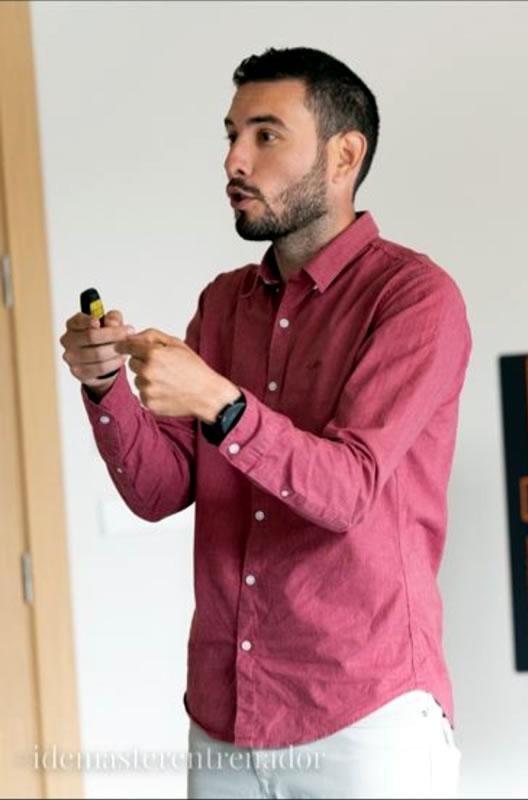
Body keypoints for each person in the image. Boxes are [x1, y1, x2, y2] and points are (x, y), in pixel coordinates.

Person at [57, 47, 471, 798]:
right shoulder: (223, 303)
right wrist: (105, 385)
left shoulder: (415, 300)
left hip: (366, 718)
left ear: (345, 155)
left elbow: (348, 492)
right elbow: (160, 491)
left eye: (265, 135)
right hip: (224, 715)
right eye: (230, 135)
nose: (233, 161)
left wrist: (218, 400)